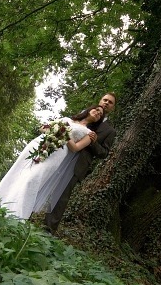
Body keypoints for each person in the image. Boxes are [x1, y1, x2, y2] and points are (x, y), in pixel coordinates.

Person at [0, 105, 105, 220]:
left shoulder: (90, 134)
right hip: (40, 144)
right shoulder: (67, 119)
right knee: (18, 172)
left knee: (33, 179)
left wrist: (64, 134)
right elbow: (43, 127)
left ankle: (17, 216)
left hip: (58, 152)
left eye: (100, 114)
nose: (98, 113)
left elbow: (75, 148)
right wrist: (56, 130)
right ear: (90, 109)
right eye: (97, 109)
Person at [44, 92, 117, 232]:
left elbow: (104, 153)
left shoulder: (110, 131)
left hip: (78, 164)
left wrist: (93, 142)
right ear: (100, 100)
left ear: (113, 108)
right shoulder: (87, 113)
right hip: (62, 154)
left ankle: (48, 229)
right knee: (43, 179)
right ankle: (26, 212)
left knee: (61, 196)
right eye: (105, 99)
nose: (106, 102)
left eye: (110, 102)